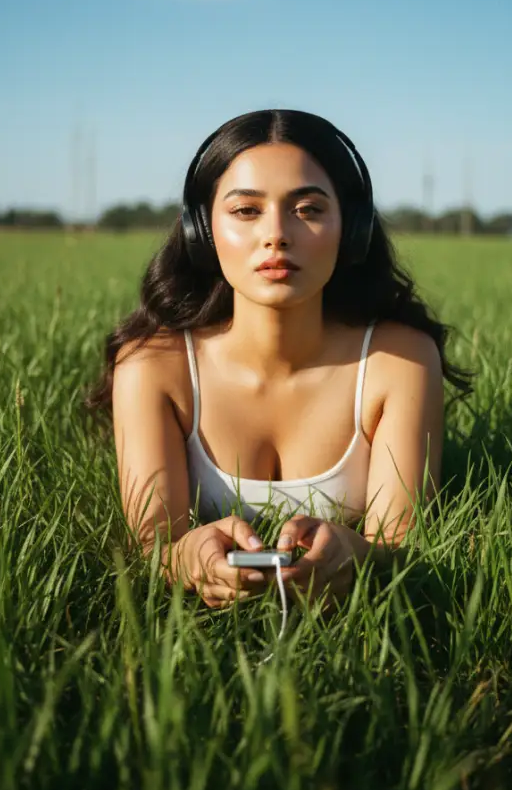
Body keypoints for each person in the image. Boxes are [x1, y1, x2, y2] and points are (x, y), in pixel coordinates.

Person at [83, 109, 473, 612]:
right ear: (202, 230)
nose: (277, 234)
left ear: (351, 229)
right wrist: (184, 560)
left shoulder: (398, 361)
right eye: (246, 210)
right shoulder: (154, 367)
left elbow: (398, 543)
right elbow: (152, 547)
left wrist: (359, 555)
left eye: (308, 209)